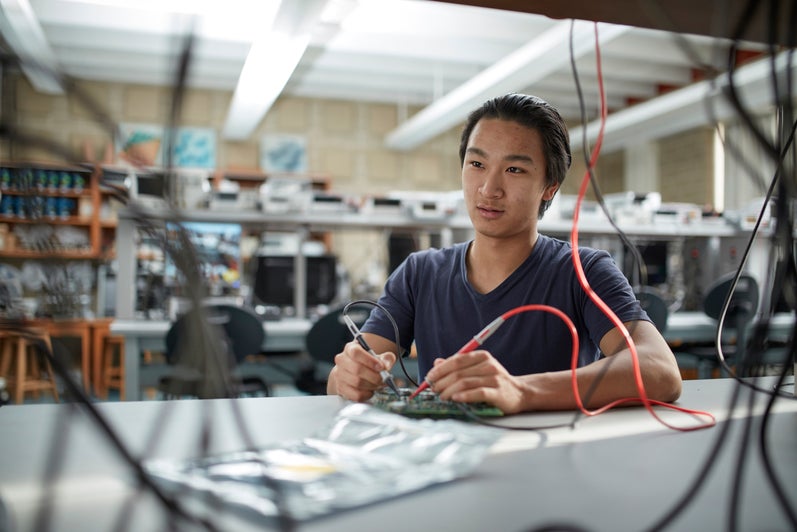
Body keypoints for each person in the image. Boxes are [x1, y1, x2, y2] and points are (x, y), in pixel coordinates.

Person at [327, 93, 682, 414]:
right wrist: (350, 377)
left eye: (514, 169)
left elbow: (660, 370)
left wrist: (520, 391)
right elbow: (343, 379)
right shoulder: (420, 273)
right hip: (448, 464)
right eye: (476, 164)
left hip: (553, 461)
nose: (488, 188)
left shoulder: (583, 270)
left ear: (549, 187)